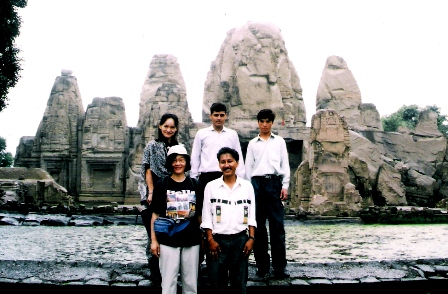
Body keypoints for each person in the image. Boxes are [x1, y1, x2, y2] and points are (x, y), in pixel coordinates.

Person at [201, 147, 256, 294]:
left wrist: (251, 238)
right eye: (222, 162)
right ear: (219, 164)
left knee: (239, 286)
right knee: (217, 285)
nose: (226, 165)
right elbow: (206, 216)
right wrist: (210, 240)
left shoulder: (247, 187)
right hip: (217, 243)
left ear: (237, 163)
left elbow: (252, 216)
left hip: (241, 241)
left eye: (230, 161)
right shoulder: (211, 187)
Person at [150, 144, 204, 294]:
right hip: (168, 241)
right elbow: (155, 214)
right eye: (174, 160)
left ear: (186, 162)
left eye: (181, 160)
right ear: (170, 163)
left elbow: (200, 215)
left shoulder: (195, 185)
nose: (178, 163)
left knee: (191, 285)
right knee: (168, 285)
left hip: (192, 241)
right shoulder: (162, 184)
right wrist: (154, 241)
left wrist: (205, 237)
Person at [245, 109, 290, 279]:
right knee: (258, 228)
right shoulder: (252, 144)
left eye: (267, 121)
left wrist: (285, 185)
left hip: (274, 183)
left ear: (272, 123)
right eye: (262, 121)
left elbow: (285, 165)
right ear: (258, 123)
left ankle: (280, 266)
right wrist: (249, 191)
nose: (264, 124)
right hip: (256, 184)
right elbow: (248, 169)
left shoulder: (279, 142)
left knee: (277, 227)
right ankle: (262, 265)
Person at [140, 113, 179, 285]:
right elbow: (148, 169)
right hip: (155, 192)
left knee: (171, 232)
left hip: (174, 195)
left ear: (176, 129)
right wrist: (151, 192)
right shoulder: (152, 146)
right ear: (160, 126)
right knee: (154, 232)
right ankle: (155, 269)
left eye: (172, 127)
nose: (168, 130)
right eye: (166, 126)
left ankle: (170, 270)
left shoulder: (178, 148)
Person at [190, 102, 245, 188]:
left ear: (226, 116)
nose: (219, 118)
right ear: (210, 116)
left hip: (227, 174)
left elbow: (238, 157)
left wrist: (240, 177)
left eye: (221, 115)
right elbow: (195, 157)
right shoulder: (201, 134)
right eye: (216, 115)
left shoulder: (232, 134)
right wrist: (193, 178)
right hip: (206, 176)